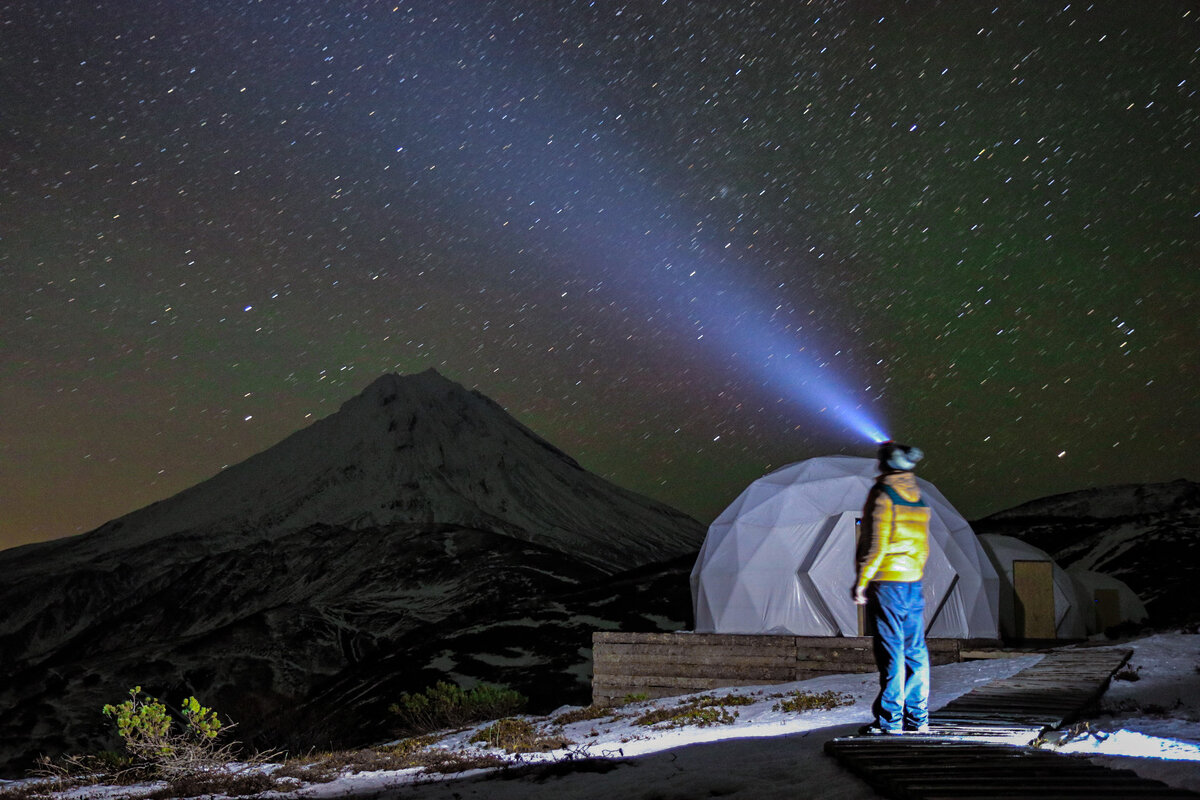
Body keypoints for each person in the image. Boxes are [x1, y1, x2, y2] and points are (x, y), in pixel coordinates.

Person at [853, 442, 931, 734]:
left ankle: (891, 721)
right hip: (913, 581)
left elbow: (877, 545)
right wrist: (915, 570)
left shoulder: (884, 495)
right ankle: (918, 719)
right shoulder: (917, 496)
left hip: (888, 582)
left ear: (884, 464)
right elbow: (923, 546)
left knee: (892, 651)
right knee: (916, 651)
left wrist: (862, 582)